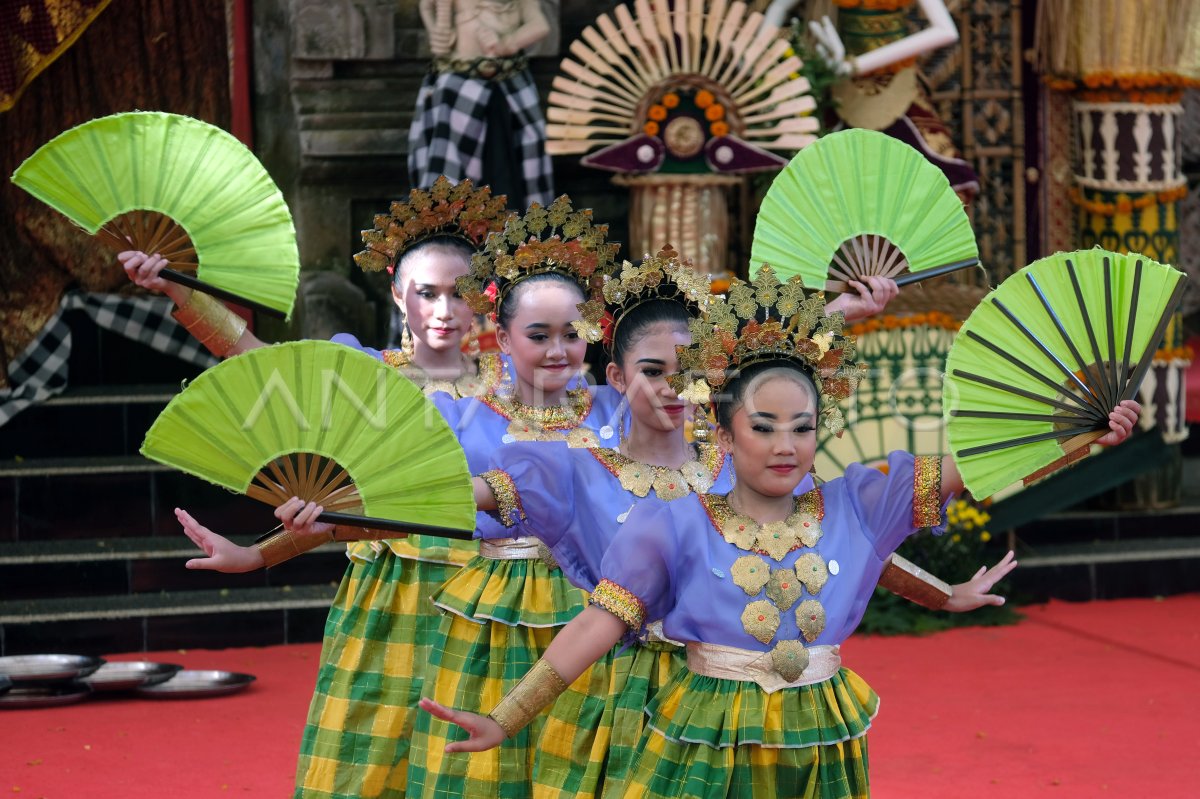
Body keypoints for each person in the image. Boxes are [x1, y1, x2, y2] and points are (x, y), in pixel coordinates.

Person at [419, 266, 1139, 797]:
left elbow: (970, 466)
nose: (786, 443)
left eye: (803, 426)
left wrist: (1080, 435)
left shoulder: (855, 500)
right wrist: (505, 718)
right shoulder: (672, 522)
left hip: (818, 736)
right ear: (726, 430)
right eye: (764, 427)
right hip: (699, 729)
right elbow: (592, 629)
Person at [131, 177, 512, 799]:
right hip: (387, 601)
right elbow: (255, 359)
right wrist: (176, 286)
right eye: (425, 293)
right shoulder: (361, 378)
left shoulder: (523, 396)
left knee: (469, 772)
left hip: (492, 604)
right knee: (366, 766)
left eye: (459, 292)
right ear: (396, 294)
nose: (443, 311)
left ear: (485, 298)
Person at [765, 0, 979, 200]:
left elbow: (945, 31)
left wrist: (857, 65)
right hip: (842, 89)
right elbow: (780, 7)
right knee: (823, 182)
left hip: (895, 84)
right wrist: (758, 55)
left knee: (934, 175)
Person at [410, 0, 555, 210]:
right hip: (458, 83)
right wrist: (435, 31)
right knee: (449, 160)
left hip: (507, 82)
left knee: (515, 158)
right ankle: (446, 217)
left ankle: (518, 223)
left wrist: (509, 43)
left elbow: (540, 25)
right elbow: (427, 5)